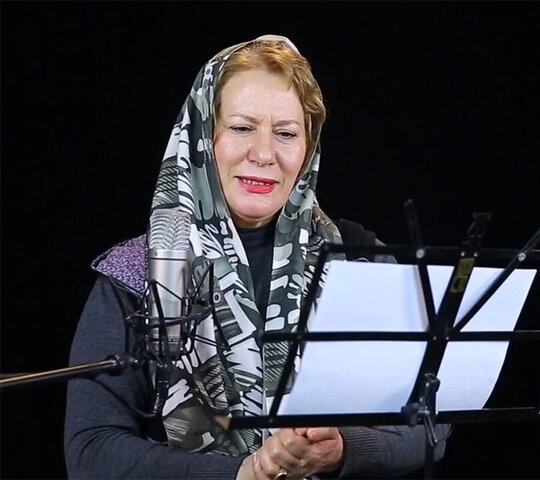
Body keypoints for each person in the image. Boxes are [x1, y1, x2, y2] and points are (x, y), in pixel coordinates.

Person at [64, 35, 450, 479]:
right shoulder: (138, 273)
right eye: (242, 128)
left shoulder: (358, 260)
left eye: (285, 133)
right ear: (203, 136)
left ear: (308, 147)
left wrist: (343, 449)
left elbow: (432, 426)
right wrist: (241, 474)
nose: (264, 154)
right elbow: (91, 451)